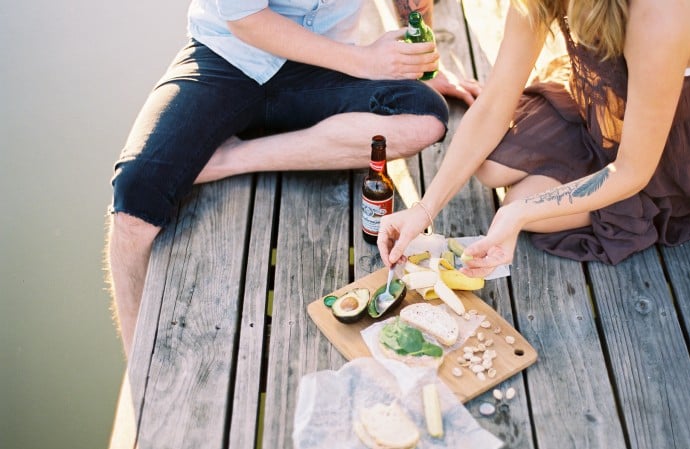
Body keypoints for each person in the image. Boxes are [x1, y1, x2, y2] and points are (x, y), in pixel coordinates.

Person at [107, 0, 481, 354]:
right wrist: (363, 60)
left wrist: (425, 67)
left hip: (322, 64)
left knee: (424, 117)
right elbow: (244, 16)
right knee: (134, 197)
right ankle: (139, 366)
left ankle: (230, 158)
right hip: (227, 57)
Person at [378, 0, 690, 278]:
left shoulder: (660, 14)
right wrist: (424, 210)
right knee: (489, 166)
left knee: (519, 203)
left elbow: (633, 170)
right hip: (613, 105)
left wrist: (519, 214)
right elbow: (495, 103)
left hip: (683, 147)